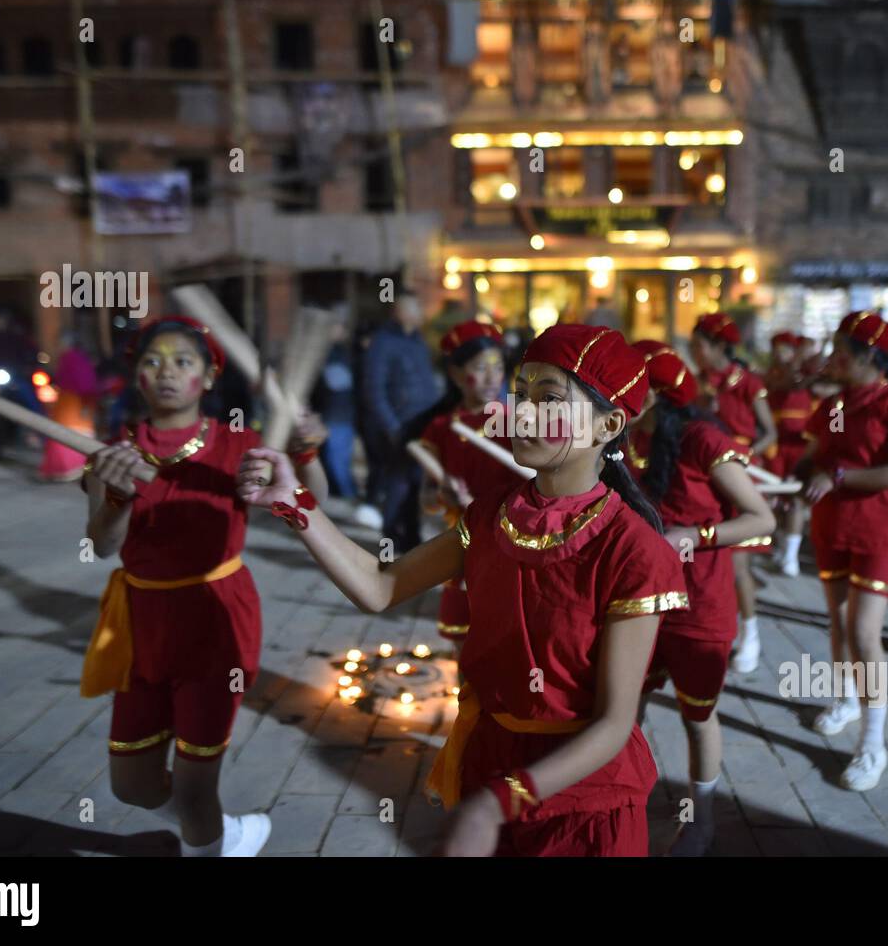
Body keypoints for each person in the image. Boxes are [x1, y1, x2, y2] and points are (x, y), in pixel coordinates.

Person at [237, 324, 688, 856]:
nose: (519, 414)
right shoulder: (493, 515)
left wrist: (502, 800)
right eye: (519, 396)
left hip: (577, 793)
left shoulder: (634, 550)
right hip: (490, 760)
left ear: (608, 425)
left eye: (547, 401)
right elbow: (380, 588)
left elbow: (614, 724)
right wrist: (296, 504)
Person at [80, 315, 326, 857]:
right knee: (133, 784)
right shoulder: (115, 452)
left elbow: (315, 499)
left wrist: (304, 454)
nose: (166, 371)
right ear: (136, 377)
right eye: (152, 360)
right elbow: (101, 544)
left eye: (183, 361)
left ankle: (206, 835)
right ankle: (227, 835)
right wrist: (116, 495)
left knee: (194, 787)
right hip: (140, 625)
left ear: (210, 378)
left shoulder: (240, 444)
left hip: (216, 622)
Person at [627, 339, 774, 855]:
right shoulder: (620, 438)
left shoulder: (703, 440)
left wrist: (697, 535)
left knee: (697, 716)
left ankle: (701, 821)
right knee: (624, 707)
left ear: (659, 395)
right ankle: (622, 803)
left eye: (628, 389)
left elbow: (761, 517)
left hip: (700, 605)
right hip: (640, 600)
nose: (613, 398)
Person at [796, 311, 888, 792]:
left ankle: (873, 743)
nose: (832, 360)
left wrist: (839, 477)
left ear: (870, 357)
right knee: (838, 619)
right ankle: (845, 699)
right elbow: (813, 456)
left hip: (876, 528)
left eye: (840, 353)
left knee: (864, 632)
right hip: (832, 524)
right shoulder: (833, 403)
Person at [416, 321, 517, 651]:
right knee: (466, 648)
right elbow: (427, 501)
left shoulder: (517, 424)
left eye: (498, 368)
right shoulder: (441, 429)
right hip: (460, 550)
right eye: (479, 368)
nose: (491, 378)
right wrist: (441, 495)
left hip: (510, 549)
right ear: (457, 374)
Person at [690, 311, 776, 673]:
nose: (694, 354)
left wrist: (746, 459)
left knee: (739, 562)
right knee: (716, 557)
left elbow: (770, 431)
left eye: (698, 347)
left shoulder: (748, 383)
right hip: (708, 473)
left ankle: (751, 634)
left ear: (718, 346)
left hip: (740, 471)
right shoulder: (695, 383)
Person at [363, 291, 439, 552]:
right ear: (400, 311)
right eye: (416, 307)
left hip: (421, 423)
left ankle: (411, 533)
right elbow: (374, 389)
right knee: (399, 481)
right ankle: (392, 534)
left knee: (415, 481)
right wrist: (392, 426)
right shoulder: (383, 343)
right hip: (400, 424)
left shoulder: (417, 341)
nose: (421, 312)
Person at [764, 331, 815, 576]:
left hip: (799, 445)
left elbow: (799, 383)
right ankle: (782, 546)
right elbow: (783, 383)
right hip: (775, 445)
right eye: (776, 348)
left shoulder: (806, 374)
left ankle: (791, 557)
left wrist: (805, 363)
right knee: (774, 497)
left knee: (796, 498)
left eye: (784, 348)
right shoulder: (771, 375)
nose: (778, 353)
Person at [39, 332, 99, 482]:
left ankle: (67, 469)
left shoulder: (71, 358)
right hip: (71, 402)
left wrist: (85, 404)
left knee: (64, 434)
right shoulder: (73, 358)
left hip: (73, 403)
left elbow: (84, 384)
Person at [312, 308, 358, 501]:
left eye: (335, 326)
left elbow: (338, 385)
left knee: (337, 461)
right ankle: (341, 495)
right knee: (330, 460)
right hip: (328, 414)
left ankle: (349, 496)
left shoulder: (343, 355)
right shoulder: (322, 353)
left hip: (339, 415)